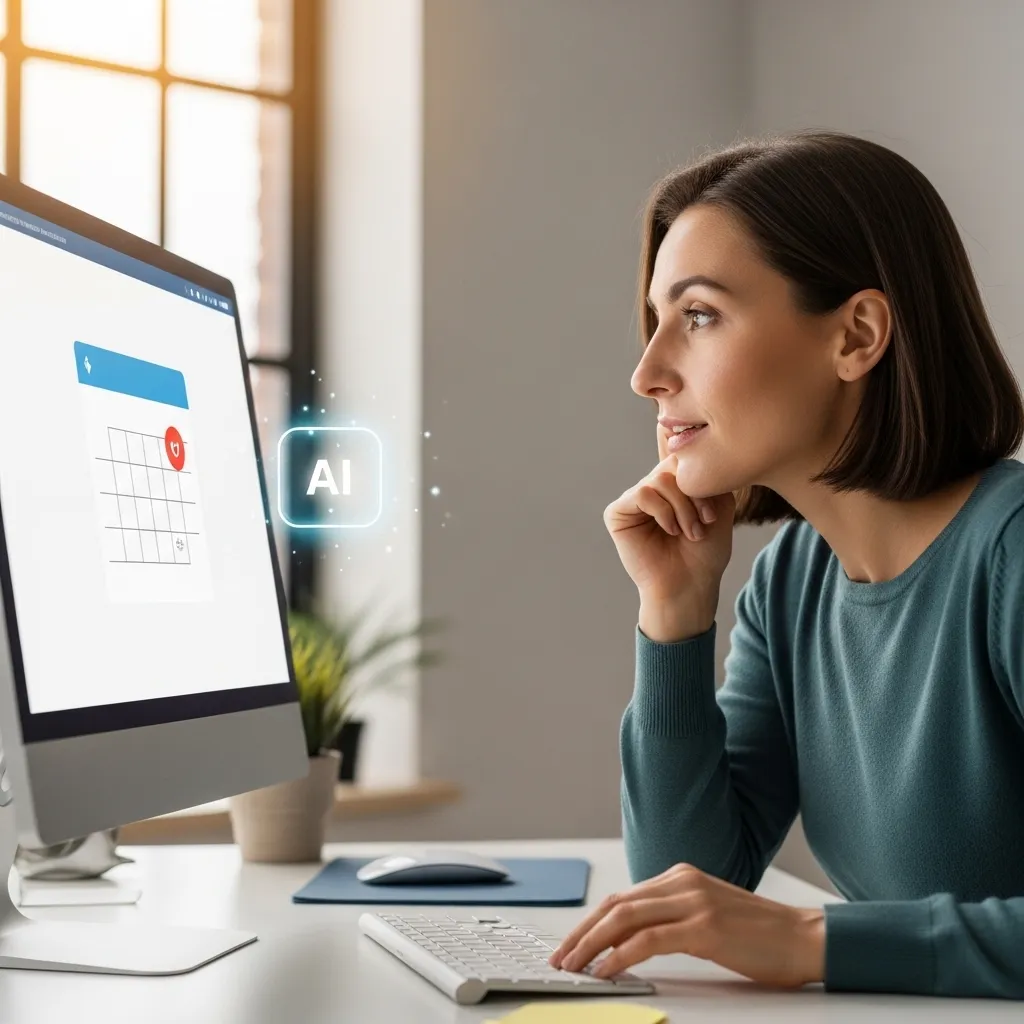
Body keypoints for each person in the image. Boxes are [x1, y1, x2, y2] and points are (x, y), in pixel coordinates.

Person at [547, 129, 1024, 999]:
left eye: (698, 316)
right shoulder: (794, 578)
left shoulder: (1013, 557)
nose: (646, 373)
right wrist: (676, 613)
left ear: (857, 335)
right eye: (656, 323)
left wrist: (816, 941)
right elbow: (684, 890)